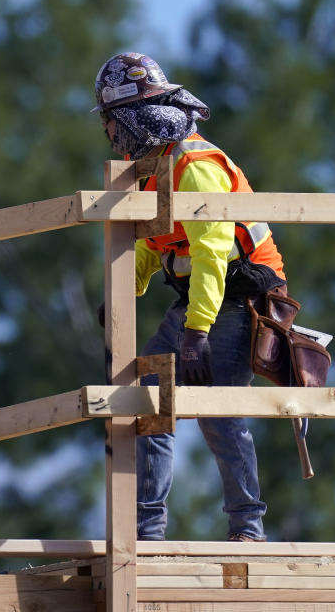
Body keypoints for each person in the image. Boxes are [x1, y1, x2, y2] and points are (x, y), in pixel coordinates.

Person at [92, 52, 288, 542]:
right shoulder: (152, 168)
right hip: (202, 299)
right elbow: (147, 241)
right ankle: (146, 530)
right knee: (148, 402)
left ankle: (248, 526)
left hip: (238, 299)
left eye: (112, 123)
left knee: (219, 410)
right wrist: (122, 293)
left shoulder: (195, 167)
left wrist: (197, 334)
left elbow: (212, 257)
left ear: (132, 119)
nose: (110, 135)